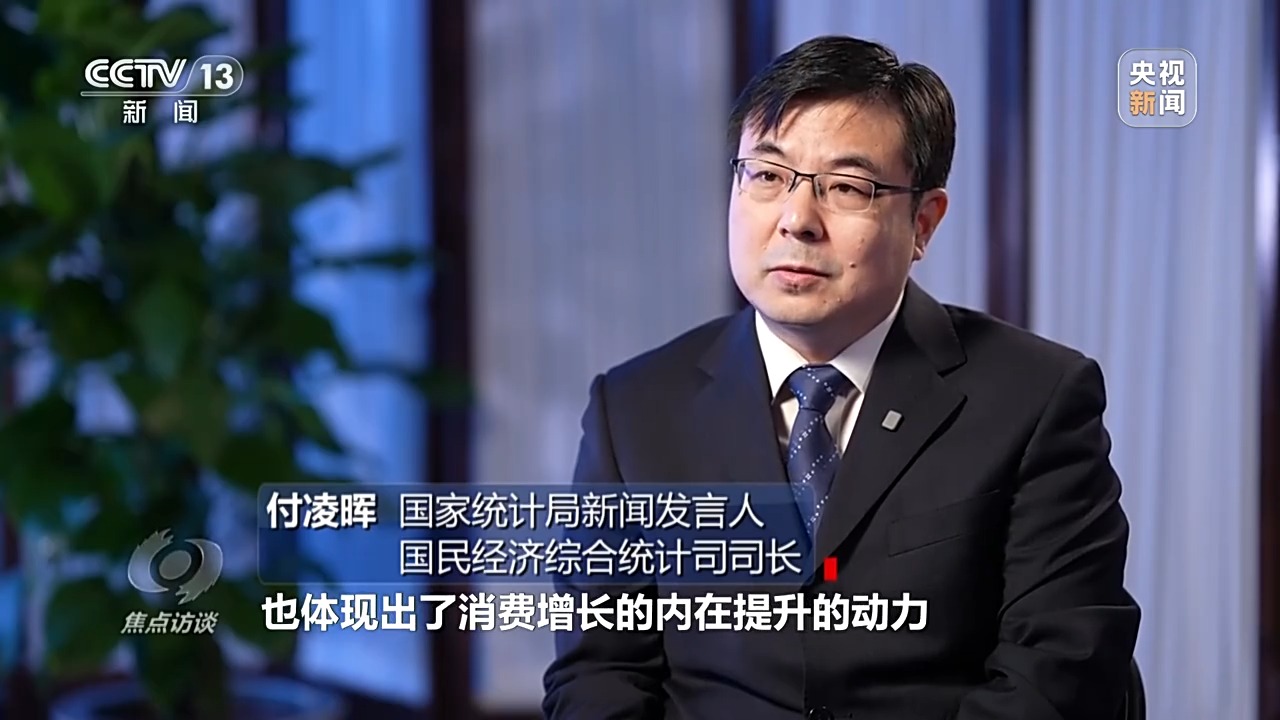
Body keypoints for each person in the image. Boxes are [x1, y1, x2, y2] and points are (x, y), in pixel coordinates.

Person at [542, 35, 1140, 720]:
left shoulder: (1036, 398)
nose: (797, 221)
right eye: (767, 176)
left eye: (847, 188)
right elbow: (600, 671)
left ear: (923, 222)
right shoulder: (635, 408)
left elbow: (1058, 672)